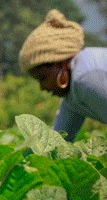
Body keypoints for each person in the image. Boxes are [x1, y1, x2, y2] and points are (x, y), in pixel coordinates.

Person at [18, 9, 107, 142]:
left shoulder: (85, 78)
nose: (42, 88)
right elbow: (59, 142)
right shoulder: (72, 95)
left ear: (60, 63)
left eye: (43, 78)